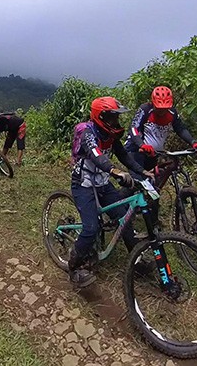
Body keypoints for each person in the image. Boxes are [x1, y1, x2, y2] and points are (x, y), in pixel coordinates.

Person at [68, 97, 154, 287]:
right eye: (112, 117)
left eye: (116, 117)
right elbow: (96, 155)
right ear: (101, 117)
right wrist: (114, 171)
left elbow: (123, 154)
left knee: (124, 218)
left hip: (103, 183)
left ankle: (136, 261)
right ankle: (74, 266)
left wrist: (141, 171)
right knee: (91, 229)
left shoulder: (110, 135)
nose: (115, 121)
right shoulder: (88, 132)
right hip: (83, 184)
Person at [124, 86, 197, 176]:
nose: (162, 111)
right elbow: (134, 128)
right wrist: (142, 145)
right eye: (159, 108)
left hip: (153, 154)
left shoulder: (172, 113)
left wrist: (193, 142)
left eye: (165, 108)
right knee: (138, 181)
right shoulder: (145, 109)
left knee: (153, 183)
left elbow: (180, 129)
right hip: (136, 151)